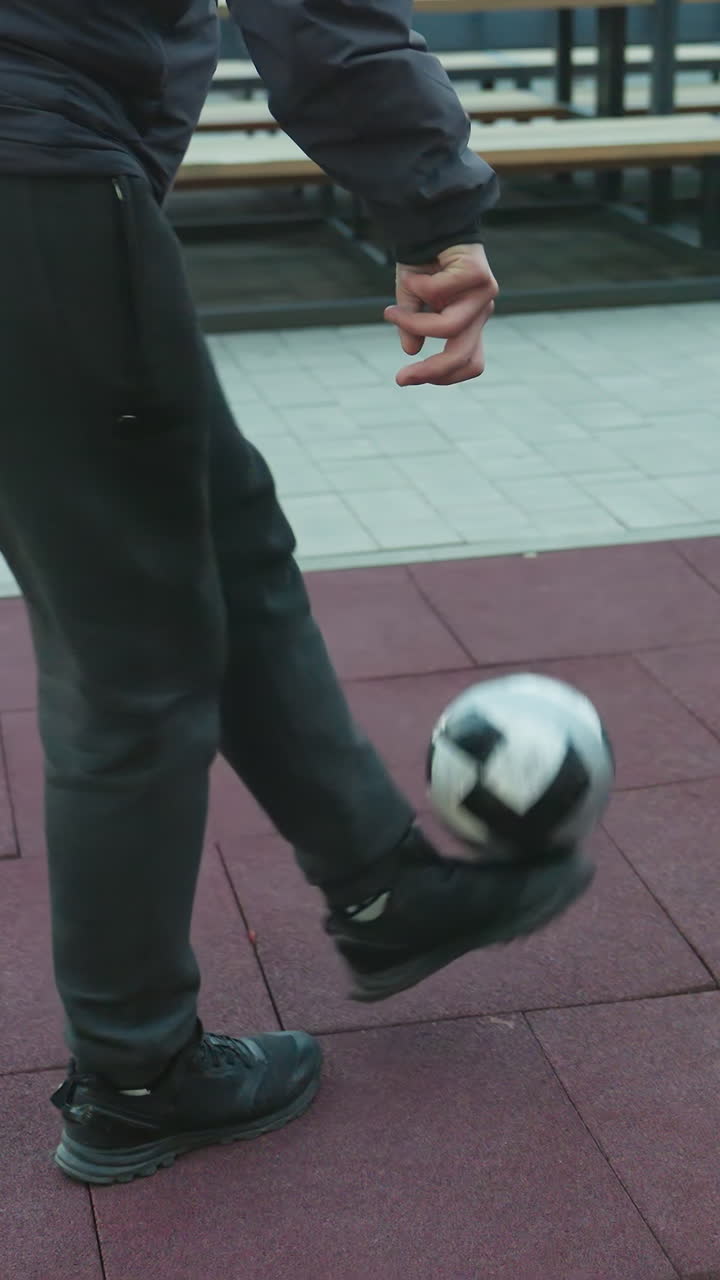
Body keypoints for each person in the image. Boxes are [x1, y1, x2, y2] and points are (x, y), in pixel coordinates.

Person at [0, 0, 593, 1187]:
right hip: (36, 166)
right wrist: (434, 218)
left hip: (46, 162)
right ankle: (135, 1073)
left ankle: (384, 886)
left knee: (225, 541)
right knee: (132, 658)